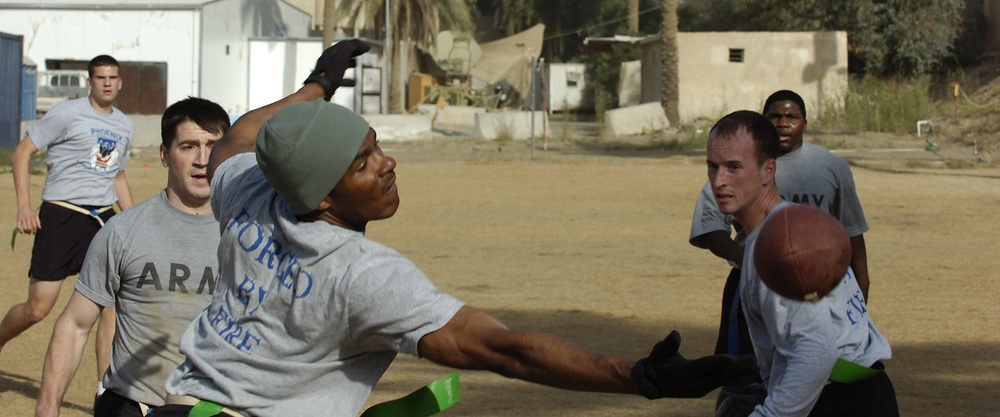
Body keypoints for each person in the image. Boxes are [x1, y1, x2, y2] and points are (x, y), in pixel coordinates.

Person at [145, 39, 754, 417]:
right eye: (362, 163)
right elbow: (501, 349)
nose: (387, 165)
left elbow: (237, 140)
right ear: (326, 199)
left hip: (179, 406)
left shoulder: (250, 193)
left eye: (376, 146)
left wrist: (317, 85)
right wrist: (638, 376)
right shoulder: (361, 277)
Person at [34, 97, 230, 417]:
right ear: (165, 155)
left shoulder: (250, 238)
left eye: (212, 145)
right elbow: (75, 324)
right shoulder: (123, 231)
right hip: (135, 403)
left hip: (216, 407)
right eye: (189, 146)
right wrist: (47, 407)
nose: (202, 159)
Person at [705, 110, 897, 416]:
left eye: (734, 167)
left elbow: (816, 350)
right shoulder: (792, 224)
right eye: (713, 167)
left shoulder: (780, 247)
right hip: (858, 391)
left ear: (768, 170)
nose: (719, 180)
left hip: (838, 399)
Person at [689, 90, 870, 363]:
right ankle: (736, 407)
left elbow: (851, 230)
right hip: (753, 280)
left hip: (815, 279)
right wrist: (752, 261)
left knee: (811, 357)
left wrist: (861, 282)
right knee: (740, 368)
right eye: (774, 116)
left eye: (791, 117)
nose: (783, 123)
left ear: (804, 124)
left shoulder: (830, 167)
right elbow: (712, 229)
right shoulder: (736, 168)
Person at [4, 54, 134, 396]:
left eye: (112, 77)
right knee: (38, 307)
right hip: (63, 214)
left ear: (119, 82)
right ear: (89, 82)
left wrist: (134, 221)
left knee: (110, 305)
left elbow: (117, 175)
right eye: (100, 77)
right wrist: (24, 207)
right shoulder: (67, 113)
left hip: (103, 218)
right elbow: (21, 153)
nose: (107, 83)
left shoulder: (124, 124)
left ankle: (106, 389)